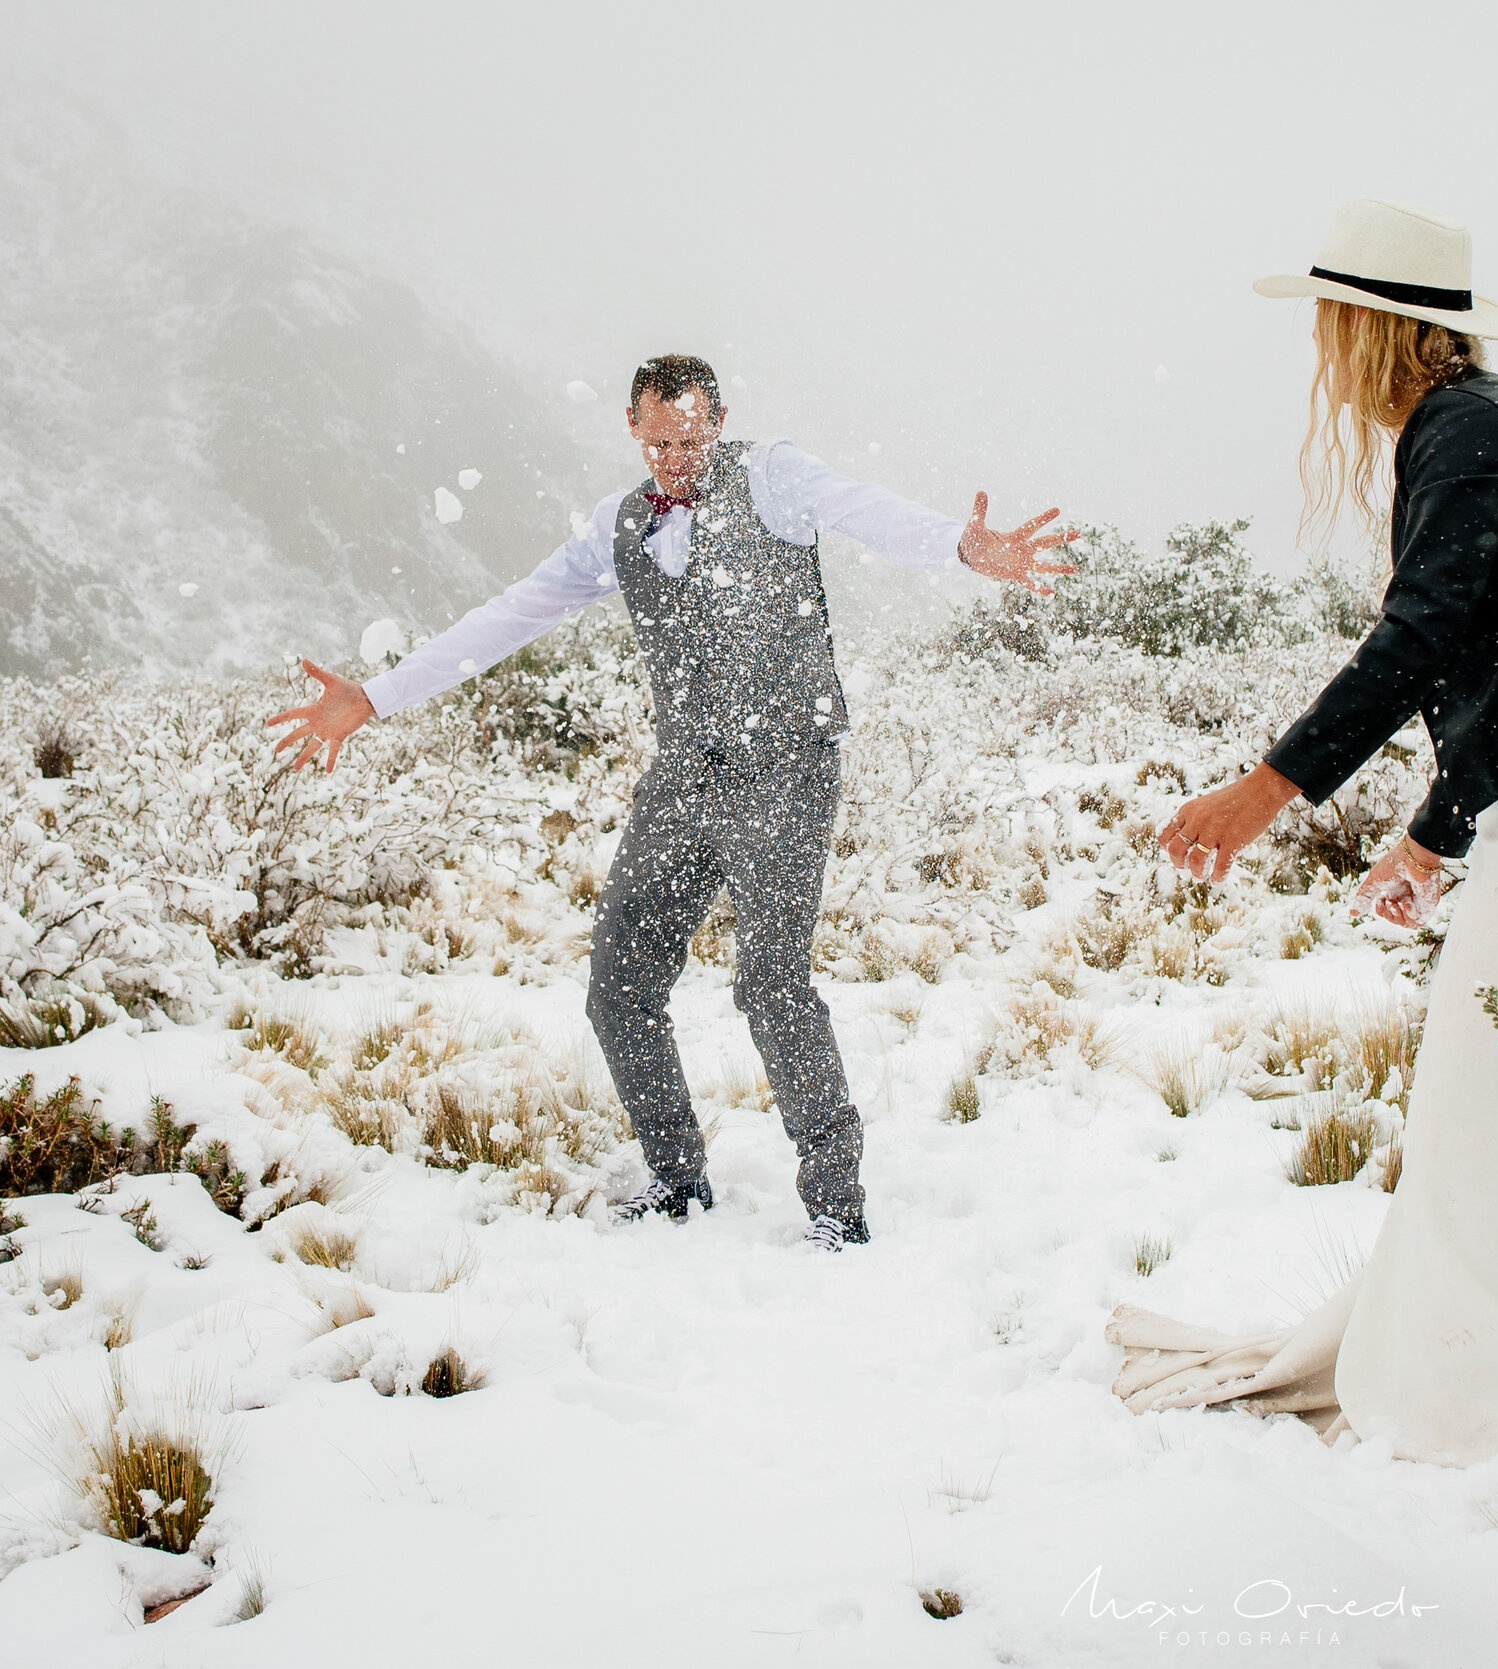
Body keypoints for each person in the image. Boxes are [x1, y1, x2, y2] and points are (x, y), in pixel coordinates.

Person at [1105, 201, 1498, 1464]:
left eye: (1329, 324)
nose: (1320, 351)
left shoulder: (1467, 427)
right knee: (1492, 1111)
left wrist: (1263, 790)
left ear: (1368, 326)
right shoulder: (1481, 423)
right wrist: (1435, 840)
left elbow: (1421, 633)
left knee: (1490, 1117)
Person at [265, 354, 1076, 1250]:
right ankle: (678, 1176)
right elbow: (509, 614)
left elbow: (865, 509)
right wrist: (376, 697)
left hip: (786, 765)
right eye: (660, 443)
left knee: (769, 981)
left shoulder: (774, 476)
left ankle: (836, 1208)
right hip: (685, 776)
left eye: (692, 440)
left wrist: (964, 548)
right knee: (618, 987)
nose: (678, 460)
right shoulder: (615, 529)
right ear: (631, 428)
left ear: (718, 421)